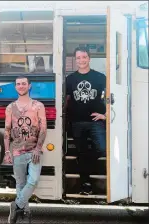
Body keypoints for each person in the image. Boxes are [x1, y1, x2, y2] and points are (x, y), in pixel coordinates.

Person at [3, 76, 47, 224]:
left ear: (29, 86)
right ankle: (25, 211)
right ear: (15, 87)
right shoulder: (10, 108)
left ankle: (16, 205)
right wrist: (7, 152)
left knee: (33, 180)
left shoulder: (38, 106)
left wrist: (38, 148)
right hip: (16, 151)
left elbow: (43, 128)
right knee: (20, 184)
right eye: (18, 84)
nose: (21, 86)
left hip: (34, 150)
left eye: (23, 84)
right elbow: (7, 130)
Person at [64, 46, 106, 195]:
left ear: (89, 58)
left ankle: (83, 163)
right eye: (78, 58)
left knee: (101, 148)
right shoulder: (70, 79)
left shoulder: (100, 78)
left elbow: (111, 98)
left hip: (96, 121)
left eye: (84, 57)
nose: (81, 60)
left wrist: (105, 115)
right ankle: (85, 182)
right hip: (77, 122)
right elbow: (66, 100)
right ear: (76, 60)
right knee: (81, 151)